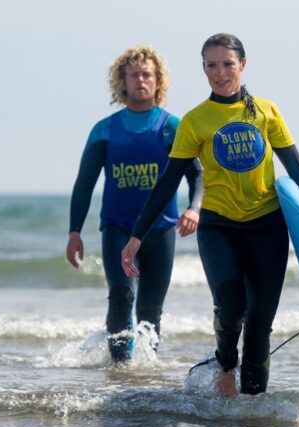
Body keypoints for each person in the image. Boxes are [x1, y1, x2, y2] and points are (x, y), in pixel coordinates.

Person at [121, 33, 299, 397]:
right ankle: (224, 363)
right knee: (231, 303)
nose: (220, 73)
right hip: (219, 226)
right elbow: (169, 180)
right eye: (211, 65)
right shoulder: (195, 121)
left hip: (267, 225)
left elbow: (296, 168)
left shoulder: (266, 112)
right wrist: (137, 235)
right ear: (203, 69)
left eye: (227, 64)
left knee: (260, 324)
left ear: (243, 65)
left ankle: (252, 413)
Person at [66, 45, 204, 364]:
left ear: (158, 81)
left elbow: (196, 174)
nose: (141, 79)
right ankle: (119, 372)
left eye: (147, 74)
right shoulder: (104, 130)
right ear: (123, 82)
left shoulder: (172, 126)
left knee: (150, 310)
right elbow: (84, 184)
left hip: (161, 230)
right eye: (134, 75)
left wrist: (194, 208)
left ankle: (144, 376)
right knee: (121, 297)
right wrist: (74, 231)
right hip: (117, 227)